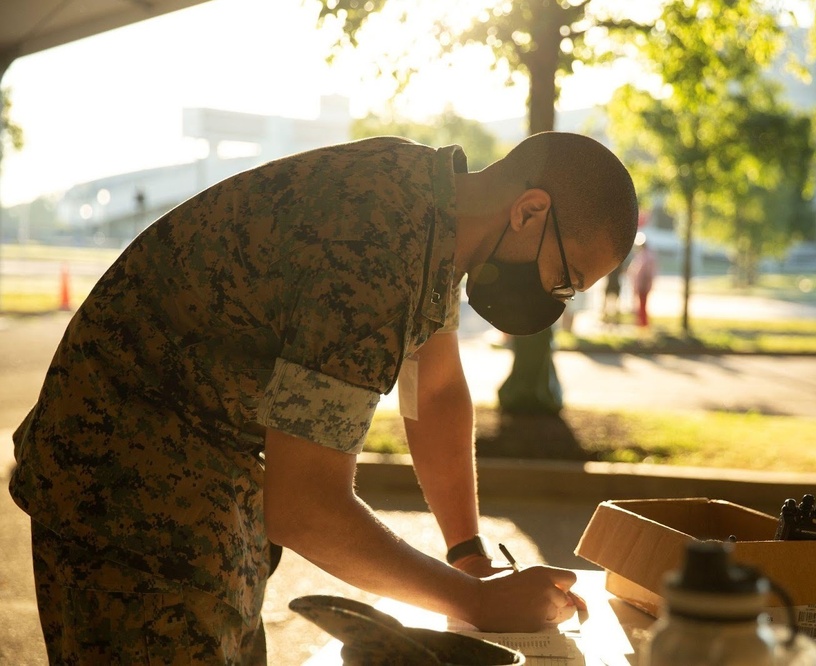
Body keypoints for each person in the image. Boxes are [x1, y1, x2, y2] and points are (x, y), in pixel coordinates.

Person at [9, 132, 638, 663]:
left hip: (205, 467)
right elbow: (305, 505)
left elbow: (437, 390)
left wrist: (468, 556)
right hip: (123, 481)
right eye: (567, 279)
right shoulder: (375, 242)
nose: (556, 299)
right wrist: (478, 602)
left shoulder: (435, 219)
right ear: (529, 211)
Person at [628, 234, 657, 327]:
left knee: (642, 304)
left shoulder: (646, 256)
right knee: (641, 304)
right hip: (641, 284)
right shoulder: (644, 255)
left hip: (643, 284)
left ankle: (643, 323)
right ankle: (641, 322)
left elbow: (646, 272)